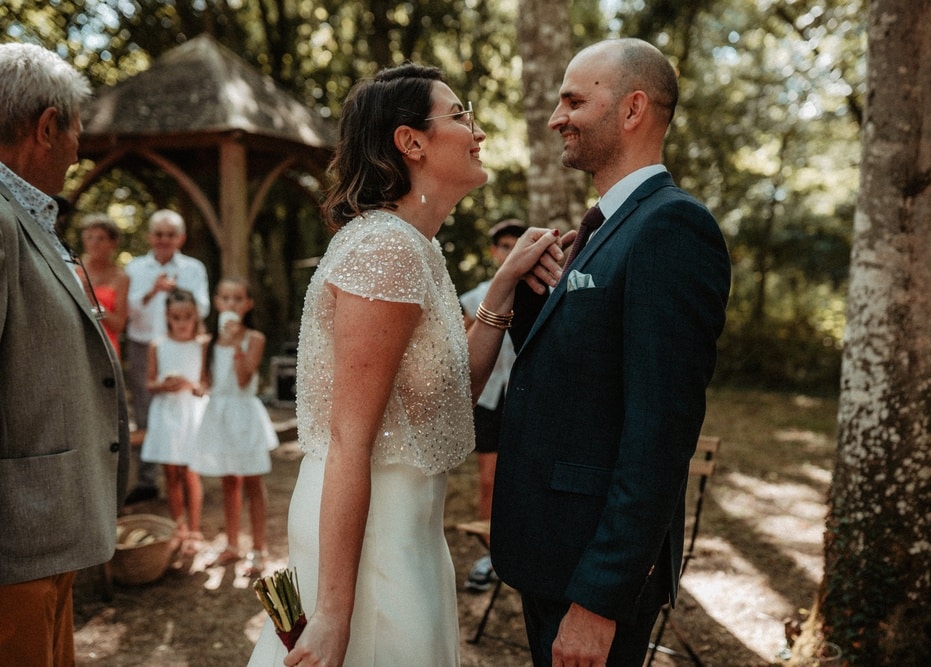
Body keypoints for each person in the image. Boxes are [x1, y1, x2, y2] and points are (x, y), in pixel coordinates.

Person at [248, 63, 561, 666]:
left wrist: (499, 292)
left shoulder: (418, 247)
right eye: (461, 115)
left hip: (407, 525)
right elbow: (348, 441)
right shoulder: (386, 250)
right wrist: (335, 615)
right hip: (367, 536)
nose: (477, 131)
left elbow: (443, 401)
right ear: (410, 141)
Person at [490, 38, 732, 667]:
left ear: (632, 110)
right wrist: (535, 305)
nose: (555, 117)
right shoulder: (604, 230)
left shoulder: (673, 228)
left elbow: (659, 434)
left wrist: (600, 600)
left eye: (573, 99)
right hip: (551, 554)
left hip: (591, 572)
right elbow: (583, 377)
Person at [0, 42, 129, 665]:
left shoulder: (30, 220)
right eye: (76, 130)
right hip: (14, 543)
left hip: (46, 531)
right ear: (47, 127)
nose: (81, 149)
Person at [191, 277, 278, 576]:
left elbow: (242, 379)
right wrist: (196, 387)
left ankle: (258, 548)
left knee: (252, 482)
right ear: (216, 302)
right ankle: (231, 544)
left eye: (237, 299)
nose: (231, 304)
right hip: (219, 414)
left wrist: (238, 344)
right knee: (229, 481)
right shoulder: (208, 342)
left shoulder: (254, 338)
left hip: (244, 414)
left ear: (248, 304)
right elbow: (207, 381)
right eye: (225, 298)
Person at [125, 208, 210, 504]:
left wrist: (176, 291)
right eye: (158, 234)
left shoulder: (193, 268)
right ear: (150, 236)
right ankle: (149, 480)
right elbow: (127, 311)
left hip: (184, 347)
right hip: (145, 345)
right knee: (146, 411)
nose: (163, 240)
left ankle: (190, 475)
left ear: (180, 238)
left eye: (170, 235)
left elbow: (203, 307)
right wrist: (152, 291)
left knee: (187, 410)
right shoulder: (135, 268)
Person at [458, 218, 526, 591]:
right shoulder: (475, 296)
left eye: (517, 244)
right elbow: (466, 350)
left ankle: (522, 552)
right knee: (488, 481)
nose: (509, 250)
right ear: (493, 251)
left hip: (523, 399)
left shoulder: (542, 290)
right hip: (488, 399)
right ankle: (490, 555)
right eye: (503, 245)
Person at [140, 288, 209, 555]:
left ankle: (194, 528)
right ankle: (177, 525)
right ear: (168, 317)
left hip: (192, 412)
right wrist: (162, 385)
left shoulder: (201, 345)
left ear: (195, 316)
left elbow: (205, 384)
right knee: (170, 472)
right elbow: (148, 382)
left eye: (187, 317)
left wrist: (190, 384)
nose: (182, 322)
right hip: (167, 412)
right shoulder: (158, 345)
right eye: (176, 317)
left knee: (191, 472)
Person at [78, 212, 130, 356]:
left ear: (113, 243)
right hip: (78, 344)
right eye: (89, 237)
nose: (94, 243)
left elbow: (119, 325)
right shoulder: (73, 270)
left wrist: (92, 300)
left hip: (107, 347)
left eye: (101, 238)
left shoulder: (121, 277)